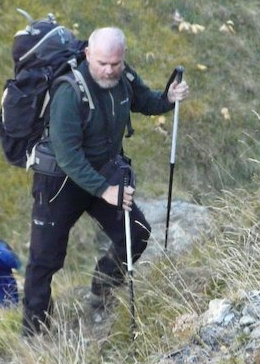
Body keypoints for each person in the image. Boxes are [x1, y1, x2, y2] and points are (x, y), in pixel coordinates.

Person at [22, 25, 190, 335]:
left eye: (116, 63)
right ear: (88, 54)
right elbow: (68, 155)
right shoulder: (69, 92)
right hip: (59, 181)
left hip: (103, 172)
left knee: (136, 233)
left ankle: (102, 290)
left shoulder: (124, 78)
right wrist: (104, 190)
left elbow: (145, 101)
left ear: (123, 58)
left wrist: (168, 98)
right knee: (44, 259)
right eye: (102, 63)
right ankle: (34, 331)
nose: (109, 70)